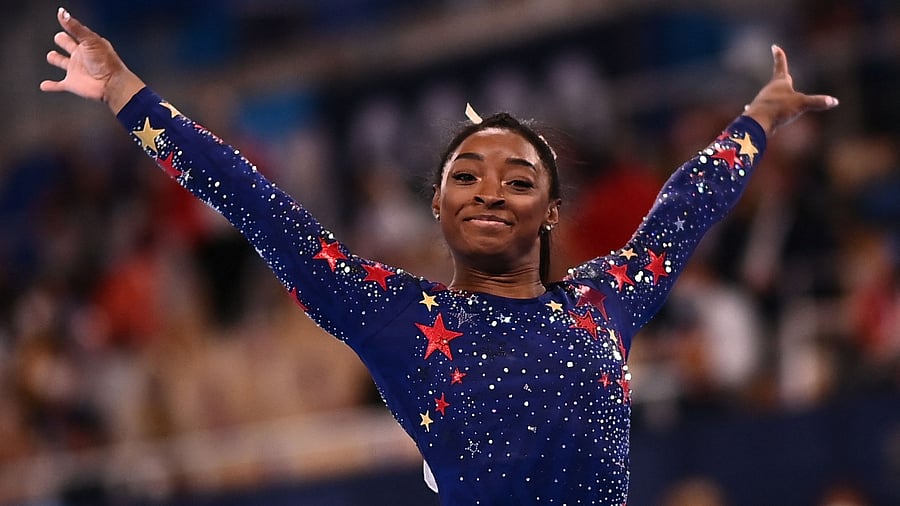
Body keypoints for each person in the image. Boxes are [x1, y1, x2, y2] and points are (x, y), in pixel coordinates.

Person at [40, 7, 838, 505]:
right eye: (467, 174)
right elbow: (255, 203)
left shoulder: (604, 299)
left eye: (518, 177)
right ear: (436, 205)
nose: (491, 189)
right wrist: (125, 95)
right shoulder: (393, 314)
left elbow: (685, 207)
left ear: (552, 211)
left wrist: (759, 118)